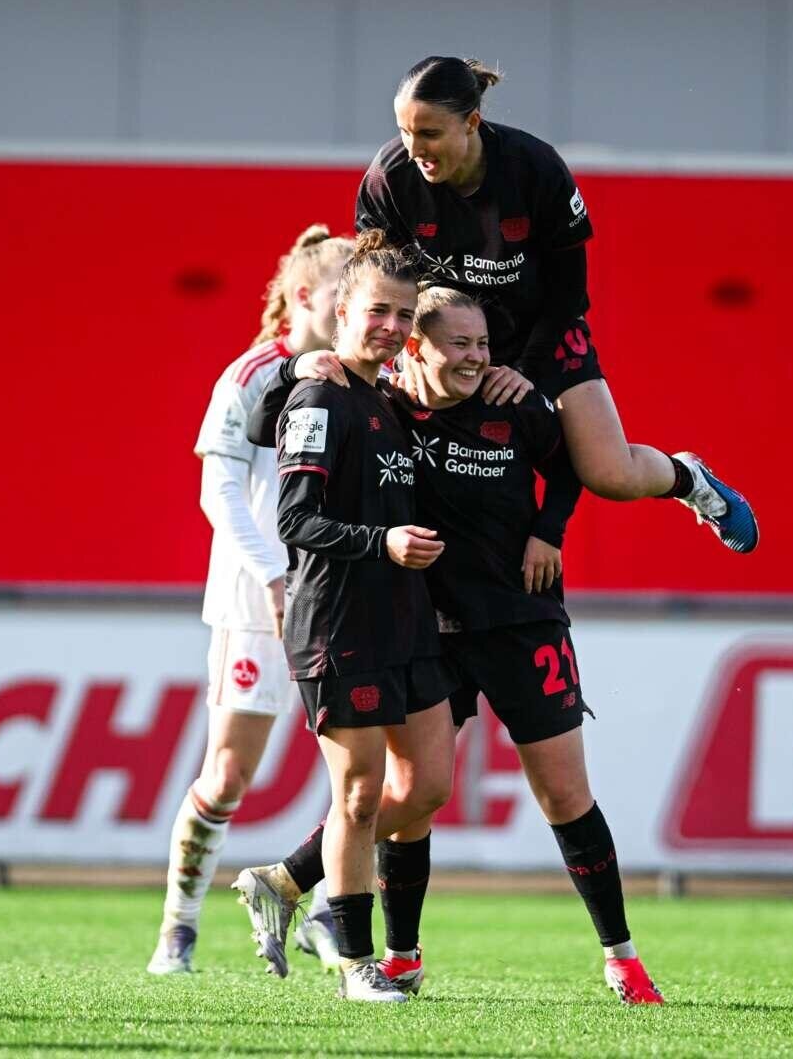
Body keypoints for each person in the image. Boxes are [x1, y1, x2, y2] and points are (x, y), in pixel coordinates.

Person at [244, 287, 665, 1004]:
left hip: (520, 620)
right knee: (411, 795)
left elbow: (572, 465)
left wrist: (549, 531)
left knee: (562, 792)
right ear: (417, 347)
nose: (476, 358)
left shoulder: (515, 401)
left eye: (483, 345)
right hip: (425, 625)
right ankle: (394, 956)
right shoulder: (383, 405)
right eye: (458, 344)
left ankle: (621, 959)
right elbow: (272, 439)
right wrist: (294, 368)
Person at [355, 55, 758, 553]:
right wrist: (388, 359)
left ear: (472, 123)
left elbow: (570, 291)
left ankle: (690, 479)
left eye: (430, 133)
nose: (415, 148)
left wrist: (525, 367)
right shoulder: (389, 177)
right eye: (404, 131)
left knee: (610, 474)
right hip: (444, 340)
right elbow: (380, 283)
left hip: (540, 329)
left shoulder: (535, 168)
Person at [227, 231, 459, 1004]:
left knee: (426, 787)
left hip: (406, 619)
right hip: (338, 624)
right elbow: (295, 519)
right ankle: (360, 964)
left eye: (402, 315)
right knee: (359, 796)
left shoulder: (386, 397)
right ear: (342, 312)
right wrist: (382, 540)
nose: (390, 326)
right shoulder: (322, 395)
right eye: (376, 311)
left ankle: (286, 879)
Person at [147, 225, 354, 976]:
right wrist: (272, 572)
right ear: (304, 296)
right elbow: (219, 489)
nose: (357, 309)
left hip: (339, 599)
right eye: (344, 294)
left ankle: (328, 912)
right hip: (255, 606)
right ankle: (179, 927)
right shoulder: (252, 374)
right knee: (229, 773)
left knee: (362, 776)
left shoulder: (360, 376)